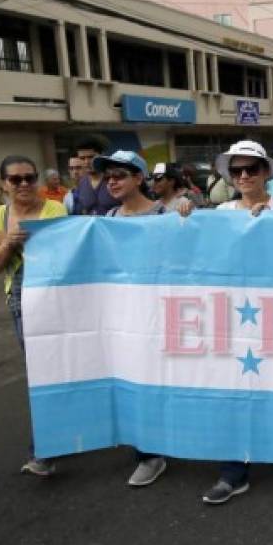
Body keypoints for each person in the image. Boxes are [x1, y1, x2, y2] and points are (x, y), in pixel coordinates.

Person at [201, 140, 273, 505]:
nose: (243, 176)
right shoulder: (221, 211)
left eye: (251, 169)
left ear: (266, 173)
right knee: (234, 390)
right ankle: (233, 471)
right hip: (234, 318)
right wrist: (182, 214)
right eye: (236, 170)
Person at [0, 155, 68, 476]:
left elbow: (66, 255)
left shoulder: (54, 210)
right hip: (20, 300)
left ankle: (51, 445)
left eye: (29, 178)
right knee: (41, 375)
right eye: (15, 179)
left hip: (56, 298)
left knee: (59, 370)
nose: (24, 185)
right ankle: (45, 450)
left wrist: (33, 245)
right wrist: (8, 245)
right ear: (3, 184)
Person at [92, 150, 174, 486]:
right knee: (129, 379)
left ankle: (173, 440)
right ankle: (147, 453)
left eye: (120, 175)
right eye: (108, 177)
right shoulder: (108, 217)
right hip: (122, 316)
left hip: (160, 314)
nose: (112, 182)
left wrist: (185, 216)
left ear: (139, 178)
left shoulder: (163, 214)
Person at [73, 136, 119, 216]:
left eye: (91, 157)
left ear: (101, 155)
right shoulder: (82, 182)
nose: (87, 162)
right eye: (82, 158)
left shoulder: (115, 178)